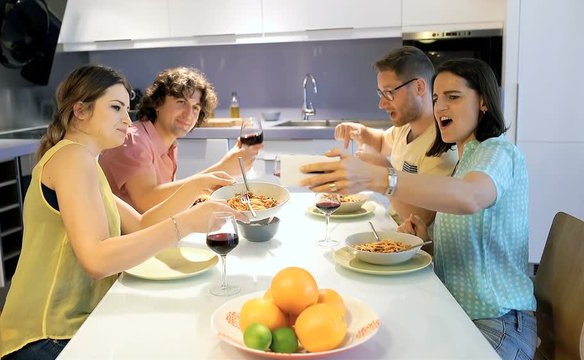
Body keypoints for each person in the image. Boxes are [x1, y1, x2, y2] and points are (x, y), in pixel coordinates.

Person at [0, 64, 248, 360]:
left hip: (69, 325)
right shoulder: (72, 158)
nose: (128, 120)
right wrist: (186, 223)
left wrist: (196, 187)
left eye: (127, 109)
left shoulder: (84, 160)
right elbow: (97, 260)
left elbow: (140, 224)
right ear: (80, 110)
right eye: (116, 108)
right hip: (45, 338)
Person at [300, 58, 536, 359]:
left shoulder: (499, 151)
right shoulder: (464, 161)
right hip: (458, 313)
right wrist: (427, 237)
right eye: (437, 99)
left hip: (499, 323)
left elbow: (471, 197)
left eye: (453, 97)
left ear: (484, 102)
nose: (440, 108)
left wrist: (381, 178)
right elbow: (472, 232)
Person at [99, 67, 263, 213]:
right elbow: (147, 203)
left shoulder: (170, 144)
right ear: (157, 103)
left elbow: (167, 202)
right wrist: (219, 170)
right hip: (124, 241)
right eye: (181, 102)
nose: (188, 113)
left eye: (195, 107)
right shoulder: (133, 140)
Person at [334, 46, 458, 226]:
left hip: (415, 245)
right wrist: (360, 131)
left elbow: (421, 219)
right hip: (392, 225)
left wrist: (384, 173)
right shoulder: (405, 126)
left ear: (419, 87)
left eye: (389, 92)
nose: (382, 103)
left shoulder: (442, 146)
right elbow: (383, 142)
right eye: (381, 93)